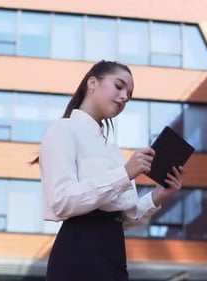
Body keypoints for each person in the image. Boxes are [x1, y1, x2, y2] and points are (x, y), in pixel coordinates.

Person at [36, 60, 184, 281]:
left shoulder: (112, 149)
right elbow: (61, 201)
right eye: (119, 86)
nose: (125, 96)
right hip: (79, 251)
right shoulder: (63, 130)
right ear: (93, 83)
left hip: (113, 253)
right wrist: (125, 174)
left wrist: (158, 194)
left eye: (129, 94)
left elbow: (122, 216)